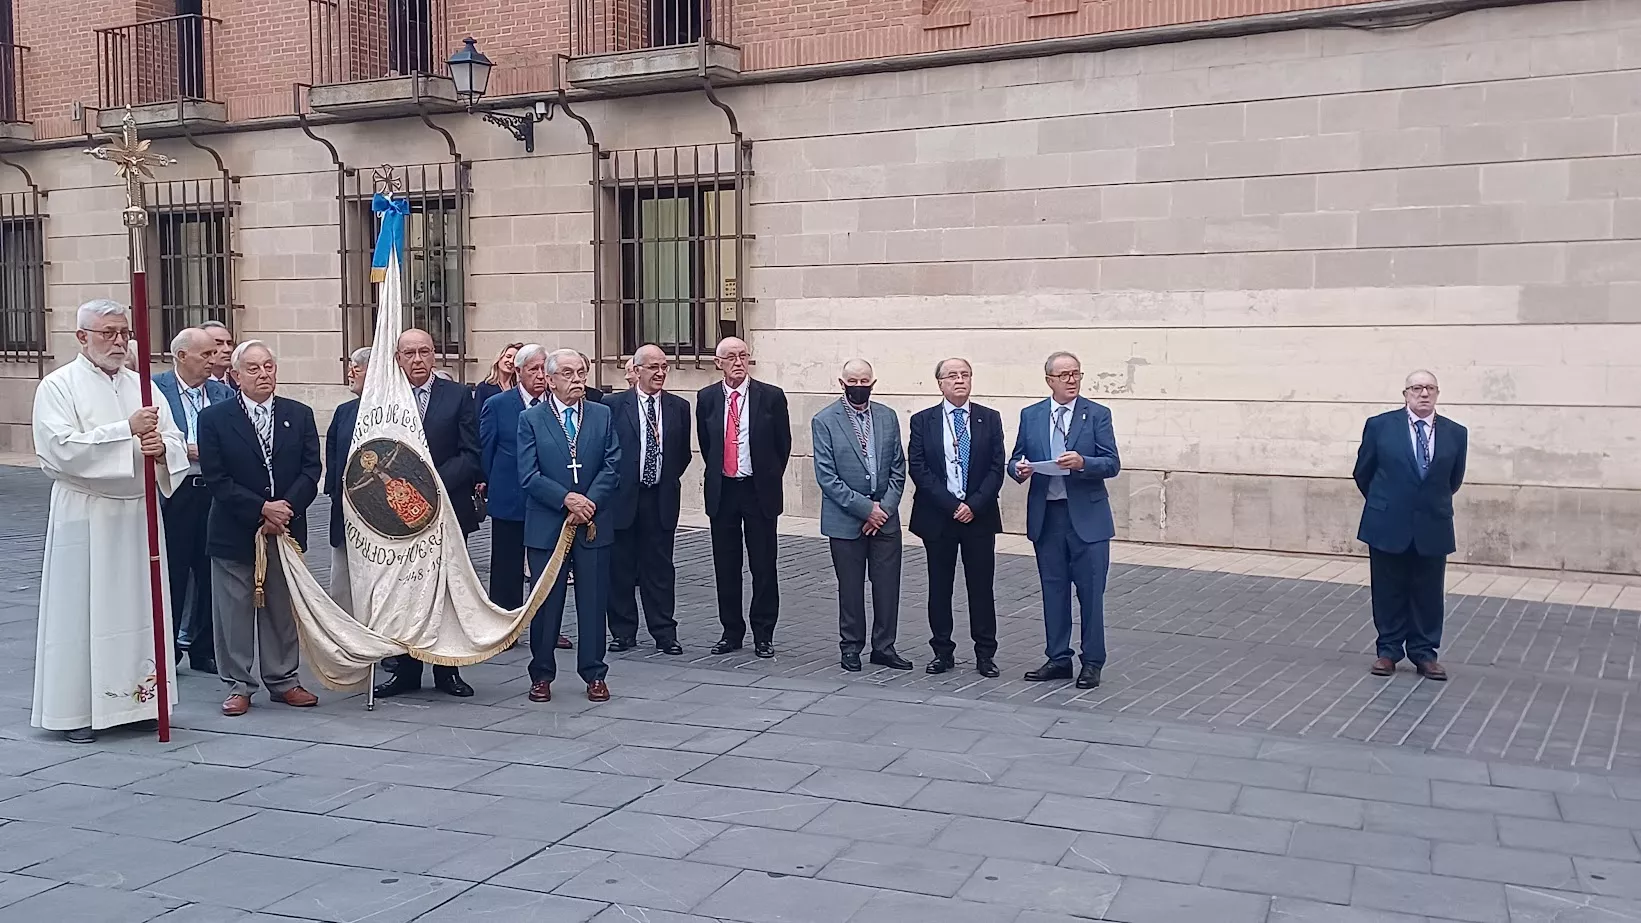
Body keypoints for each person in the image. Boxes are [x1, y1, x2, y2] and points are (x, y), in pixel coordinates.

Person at [31, 300, 191, 744]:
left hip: (137, 513)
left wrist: (163, 450)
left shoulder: (143, 386)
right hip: (87, 512)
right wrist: (126, 431)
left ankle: (136, 702)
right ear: (82, 337)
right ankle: (77, 709)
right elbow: (58, 448)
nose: (119, 341)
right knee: (82, 612)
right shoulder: (58, 385)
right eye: (108, 333)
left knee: (140, 608)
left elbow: (173, 440)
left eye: (124, 332)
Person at [197, 340, 323, 717]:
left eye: (268, 366)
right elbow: (217, 479)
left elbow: (311, 470)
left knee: (281, 609)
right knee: (233, 613)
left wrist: (283, 510)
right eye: (253, 368)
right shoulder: (215, 419)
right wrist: (261, 509)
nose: (263, 374)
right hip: (235, 530)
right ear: (235, 376)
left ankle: (284, 680)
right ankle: (239, 684)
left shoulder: (297, 414)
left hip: (284, 530)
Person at [375, 328, 481, 698]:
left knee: (448, 591)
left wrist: (431, 485)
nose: (417, 360)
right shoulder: (385, 398)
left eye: (424, 352)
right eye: (409, 353)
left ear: (435, 354)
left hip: (448, 509)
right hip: (399, 515)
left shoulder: (457, 396)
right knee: (406, 590)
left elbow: (471, 454)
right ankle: (405, 669)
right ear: (397, 358)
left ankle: (447, 670)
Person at [1010, 351, 1121, 690]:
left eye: (1076, 374)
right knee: (1053, 590)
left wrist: (1082, 462)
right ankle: (1058, 657)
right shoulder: (1031, 415)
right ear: (1050, 381)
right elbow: (1016, 458)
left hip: (1087, 519)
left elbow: (1112, 463)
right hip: (1048, 516)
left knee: (1090, 593)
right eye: (1064, 375)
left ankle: (1092, 662)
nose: (1072, 380)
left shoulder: (1097, 414)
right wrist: (1019, 469)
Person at [519, 349, 619, 703]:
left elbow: (612, 464)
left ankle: (594, 672)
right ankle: (542, 674)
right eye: (567, 373)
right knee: (547, 601)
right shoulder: (531, 419)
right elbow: (528, 474)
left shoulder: (602, 414)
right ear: (549, 379)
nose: (576, 379)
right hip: (548, 523)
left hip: (592, 522)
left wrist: (587, 503)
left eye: (580, 372)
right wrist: (566, 499)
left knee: (593, 600)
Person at [1354, 370, 1468, 682]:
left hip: (1433, 522)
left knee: (1429, 592)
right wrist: (1388, 501)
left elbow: (1453, 480)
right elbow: (1363, 471)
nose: (1424, 394)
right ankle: (1388, 651)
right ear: (1405, 393)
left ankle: (1425, 653)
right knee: (1388, 588)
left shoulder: (1456, 433)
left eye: (1430, 388)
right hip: (1387, 520)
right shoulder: (1380, 427)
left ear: (1438, 394)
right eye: (1417, 388)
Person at [908, 357, 1005, 677]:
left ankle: (985, 653)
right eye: (952, 376)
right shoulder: (923, 421)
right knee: (940, 586)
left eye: (965, 375)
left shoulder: (989, 419)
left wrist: (973, 505)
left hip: (978, 516)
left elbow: (995, 467)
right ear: (939, 383)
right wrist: (951, 505)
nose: (959, 380)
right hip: (939, 516)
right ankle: (942, 650)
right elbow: (919, 467)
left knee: (981, 586)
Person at [696, 337, 792, 658]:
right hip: (724, 490)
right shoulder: (707, 398)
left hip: (757, 490)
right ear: (718, 363)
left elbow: (783, 445)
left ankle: (763, 633)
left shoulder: (771, 397)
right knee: (726, 564)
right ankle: (731, 631)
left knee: (763, 564)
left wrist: (767, 475)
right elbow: (707, 444)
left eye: (743, 355)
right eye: (730, 357)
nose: (738, 362)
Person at [812, 359, 909, 672]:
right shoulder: (824, 420)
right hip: (845, 520)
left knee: (886, 586)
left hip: (886, 518)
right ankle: (851, 646)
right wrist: (866, 510)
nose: (859, 386)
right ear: (842, 383)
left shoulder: (887, 416)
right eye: (853, 381)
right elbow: (827, 477)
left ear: (873, 382)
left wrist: (884, 509)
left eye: (864, 380)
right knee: (850, 588)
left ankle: (884, 647)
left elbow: (898, 468)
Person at [153, 326, 234, 674]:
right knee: (173, 571)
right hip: (175, 491)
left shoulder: (222, 393)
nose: (213, 360)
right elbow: (154, 435)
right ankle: (167, 647)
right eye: (206, 354)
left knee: (209, 571)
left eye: (215, 353)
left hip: (214, 491)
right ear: (181, 356)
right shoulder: (156, 389)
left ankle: (204, 647)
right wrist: (183, 449)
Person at [605, 344, 691, 655]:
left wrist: (661, 477)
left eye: (664, 367)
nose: (660, 373)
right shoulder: (613, 405)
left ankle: (664, 631)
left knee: (660, 568)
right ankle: (623, 631)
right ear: (636, 371)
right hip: (624, 497)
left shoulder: (678, 407)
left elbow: (682, 454)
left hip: (660, 497)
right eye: (653, 367)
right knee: (621, 566)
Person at [481, 343, 548, 609]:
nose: (541, 375)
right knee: (506, 568)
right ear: (519, 371)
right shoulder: (497, 404)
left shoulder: (555, 405)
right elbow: (486, 450)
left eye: (544, 368)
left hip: (546, 500)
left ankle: (546, 626)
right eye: (534, 369)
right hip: (509, 499)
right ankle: (505, 624)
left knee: (544, 567)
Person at [323, 347, 370, 613]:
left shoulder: (396, 410)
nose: (350, 373)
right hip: (345, 517)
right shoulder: (344, 412)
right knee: (343, 590)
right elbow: (332, 459)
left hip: (382, 520)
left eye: (356, 367)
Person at [473, 342, 523, 412]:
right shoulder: (484, 388)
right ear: (499, 358)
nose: (511, 361)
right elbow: (477, 415)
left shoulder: (518, 388)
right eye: (508, 356)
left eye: (515, 359)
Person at [199, 319, 236, 389]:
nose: (228, 349)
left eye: (229, 343)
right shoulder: (194, 384)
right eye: (218, 344)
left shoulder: (240, 382)